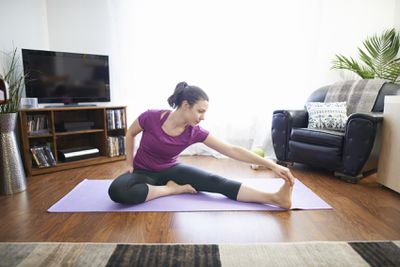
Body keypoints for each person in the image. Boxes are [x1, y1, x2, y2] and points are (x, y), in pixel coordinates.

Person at [108, 82, 295, 209]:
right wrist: (128, 164)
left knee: (217, 182)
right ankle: (172, 189)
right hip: (142, 172)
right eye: (200, 111)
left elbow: (231, 150)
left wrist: (272, 165)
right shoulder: (150, 117)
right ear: (185, 105)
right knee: (117, 191)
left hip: (171, 170)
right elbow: (130, 133)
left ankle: (275, 198)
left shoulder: (194, 131)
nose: (203, 117)